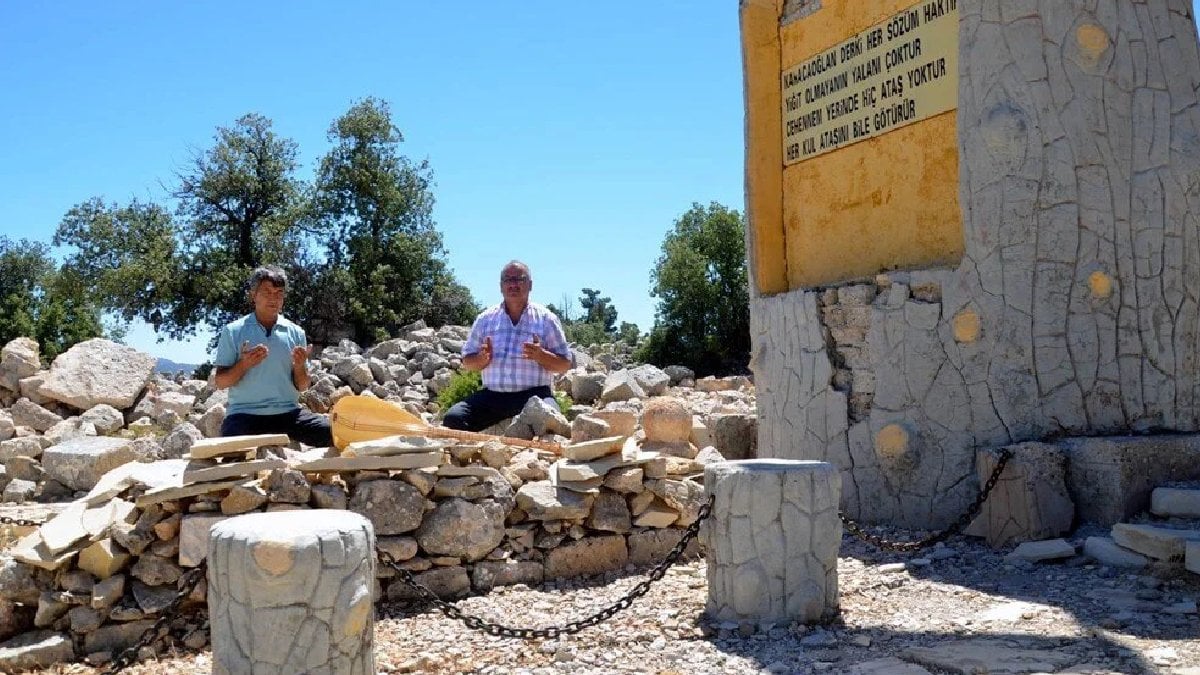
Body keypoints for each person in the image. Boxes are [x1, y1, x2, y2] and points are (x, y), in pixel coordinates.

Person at [444, 260, 572, 431]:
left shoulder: (547, 320)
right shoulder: (485, 319)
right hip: (493, 396)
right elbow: (467, 361)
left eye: (519, 279)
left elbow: (565, 364)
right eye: (507, 279)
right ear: (501, 286)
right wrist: (482, 359)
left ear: (530, 284)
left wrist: (541, 356)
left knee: (550, 419)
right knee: (454, 418)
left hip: (534, 396)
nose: (513, 284)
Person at [213, 266, 333, 447]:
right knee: (232, 452)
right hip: (245, 415)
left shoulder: (295, 332)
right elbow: (221, 382)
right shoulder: (233, 331)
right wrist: (244, 364)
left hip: (288, 414)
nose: (273, 298)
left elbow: (302, 386)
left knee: (334, 434)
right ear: (253, 295)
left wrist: (300, 366)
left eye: (279, 293)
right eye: (267, 292)